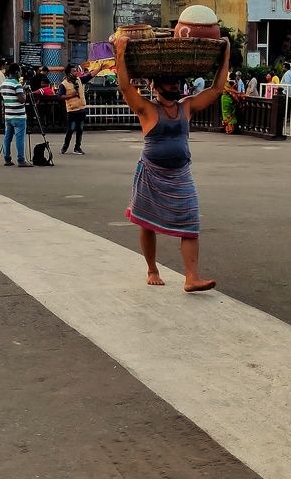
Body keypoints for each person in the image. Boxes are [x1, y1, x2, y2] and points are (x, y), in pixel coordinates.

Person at [114, 34, 230, 292]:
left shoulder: (186, 106)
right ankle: (152, 269)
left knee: (190, 223)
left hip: (180, 175)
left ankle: (191, 278)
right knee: (147, 222)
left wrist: (226, 54)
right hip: (151, 173)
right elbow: (126, 88)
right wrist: (120, 53)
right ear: (156, 85)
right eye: (168, 81)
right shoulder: (147, 109)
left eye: (176, 81)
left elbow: (216, 90)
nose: (174, 85)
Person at [0, 63, 30, 167]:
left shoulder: (3, 84)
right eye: (20, 71)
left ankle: (7, 159)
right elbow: (22, 100)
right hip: (19, 116)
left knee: (7, 138)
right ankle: (21, 160)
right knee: (20, 139)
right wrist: (25, 92)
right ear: (16, 72)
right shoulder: (17, 85)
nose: (20, 73)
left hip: (8, 115)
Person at [58, 63, 88, 155]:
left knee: (80, 129)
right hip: (72, 110)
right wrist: (72, 95)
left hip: (81, 108)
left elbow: (90, 76)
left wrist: (99, 68)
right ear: (69, 73)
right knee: (71, 129)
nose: (76, 73)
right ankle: (65, 146)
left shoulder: (79, 80)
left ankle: (77, 147)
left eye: (76, 71)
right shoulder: (64, 84)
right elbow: (60, 96)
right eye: (74, 71)